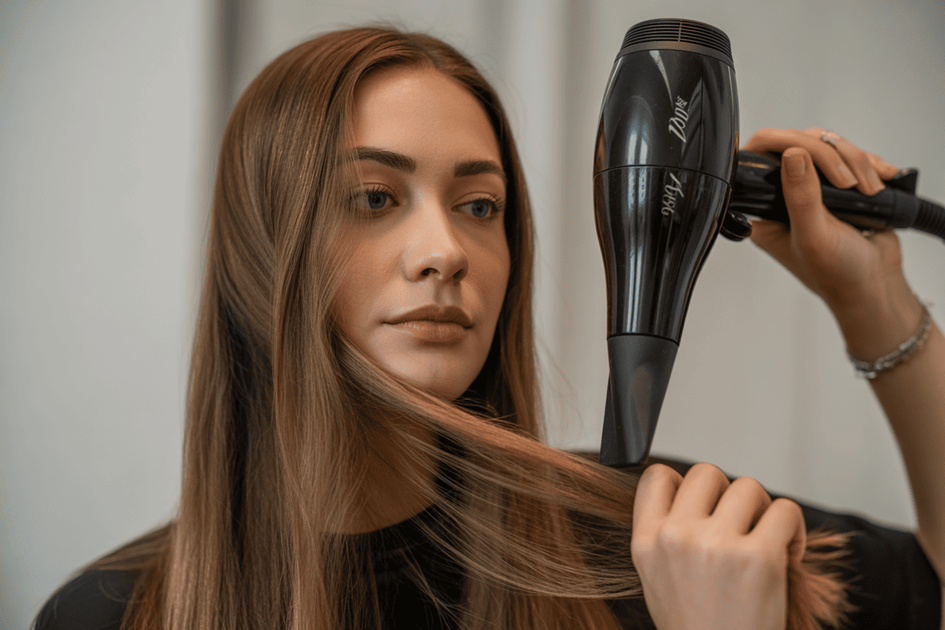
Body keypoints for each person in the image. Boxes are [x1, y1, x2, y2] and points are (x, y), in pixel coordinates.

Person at [33, 26, 944, 630]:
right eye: (373, 197)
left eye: (479, 205)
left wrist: (875, 306)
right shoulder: (112, 614)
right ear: (259, 247)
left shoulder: (652, 546)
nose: (444, 251)